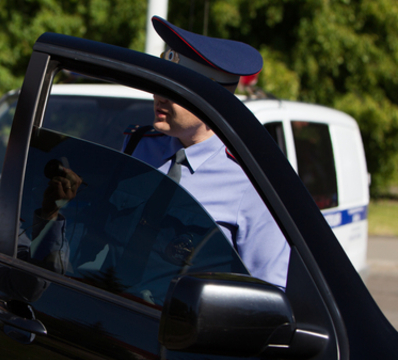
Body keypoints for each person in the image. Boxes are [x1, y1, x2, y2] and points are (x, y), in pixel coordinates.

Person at [123, 16, 290, 289]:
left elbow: (268, 293)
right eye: (159, 83)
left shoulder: (251, 180)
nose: (158, 95)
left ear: (211, 97)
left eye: (172, 89)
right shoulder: (138, 145)